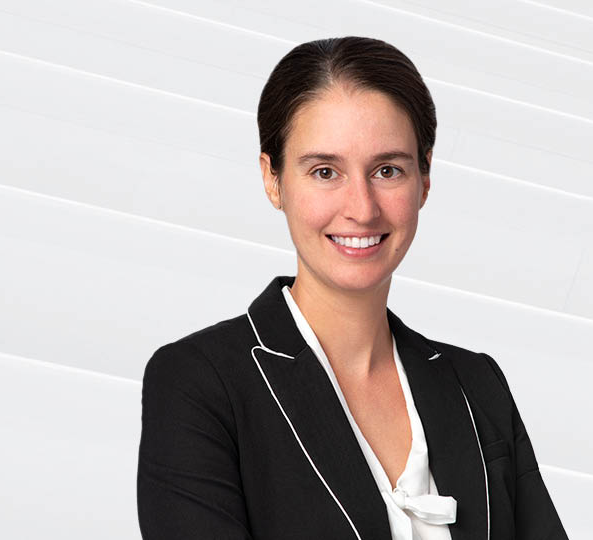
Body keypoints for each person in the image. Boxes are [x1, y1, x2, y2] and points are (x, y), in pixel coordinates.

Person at [137, 36, 568, 540]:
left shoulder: (477, 385)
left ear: (425, 178)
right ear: (273, 179)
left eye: (388, 170)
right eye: (325, 172)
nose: (362, 208)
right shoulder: (200, 384)